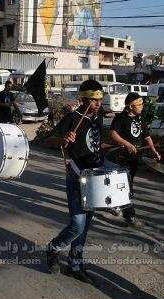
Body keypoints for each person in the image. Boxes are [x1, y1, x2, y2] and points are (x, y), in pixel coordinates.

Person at [45, 79, 111, 284]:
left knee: (86, 224)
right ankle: (54, 248)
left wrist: (120, 146)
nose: (97, 104)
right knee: (77, 224)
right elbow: (48, 140)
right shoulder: (72, 118)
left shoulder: (97, 118)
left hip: (94, 175)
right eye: (93, 100)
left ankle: (75, 264)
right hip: (76, 175)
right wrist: (64, 140)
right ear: (82, 99)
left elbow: (96, 144)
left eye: (100, 99)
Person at [109, 92, 160, 226]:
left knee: (127, 183)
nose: (142, 107)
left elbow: (147, 137)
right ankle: (130, 216)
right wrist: (127, 144)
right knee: (126, 185)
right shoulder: (121, 118)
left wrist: (153, 150)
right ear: (131, 106)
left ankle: (115, 203)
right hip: (121, 156)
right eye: (140, 104)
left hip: (134, 157)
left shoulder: (140, 118)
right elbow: (113, 133)